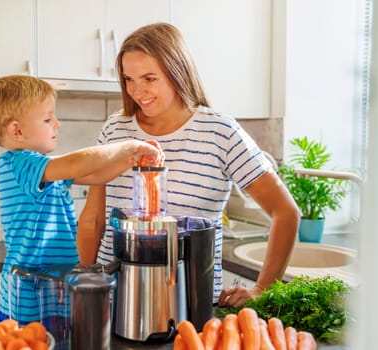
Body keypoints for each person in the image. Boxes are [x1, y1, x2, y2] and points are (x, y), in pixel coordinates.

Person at [77, 22, 301, 307]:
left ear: (177, 70)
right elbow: (93, 218)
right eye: (128, 79)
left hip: (190, 304)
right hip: (115, 301)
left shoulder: (220, 131)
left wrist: (262, 289)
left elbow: (286, 211)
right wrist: (83, 283)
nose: (137, 90)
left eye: (149, 78)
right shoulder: (115, 130)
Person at [0, 75, 164, 325]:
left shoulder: (45, 170)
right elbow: (78, 163)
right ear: (17, 131)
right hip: (29, 299)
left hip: (53, 289)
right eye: (47, 118)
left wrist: (130, 161)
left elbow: (95, 175)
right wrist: (129, 146)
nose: (57, 123)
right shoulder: (19, 164)